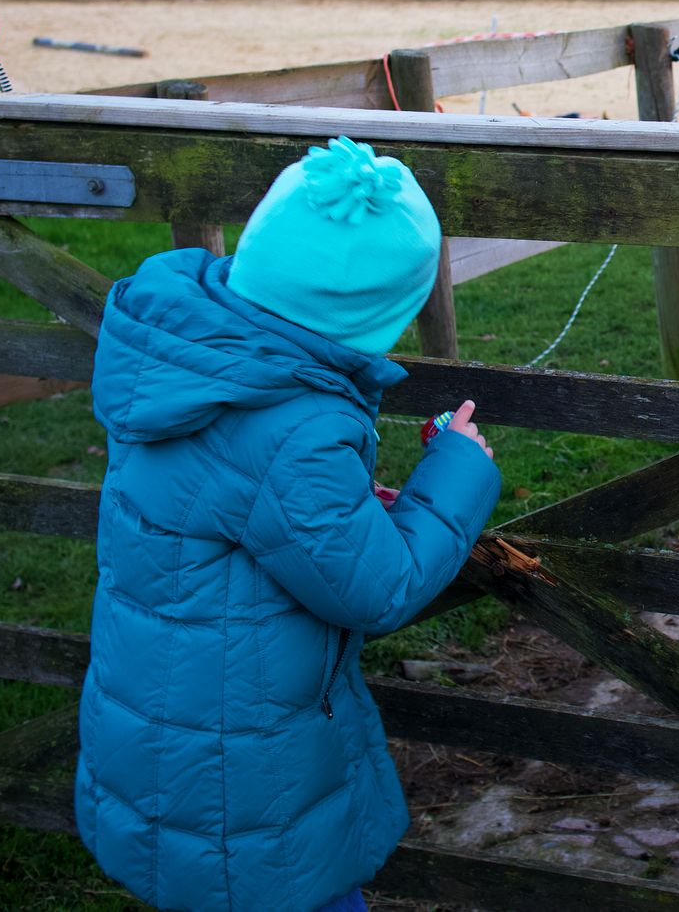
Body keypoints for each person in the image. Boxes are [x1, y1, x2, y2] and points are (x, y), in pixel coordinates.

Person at [74, 136, 501, 912]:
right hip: (246, 783)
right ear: (373, 319)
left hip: (161, 726)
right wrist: (459, 467)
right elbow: (379, 585)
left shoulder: (186, 348)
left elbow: (243, 510)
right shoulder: (296, 429)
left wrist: (345, 498)